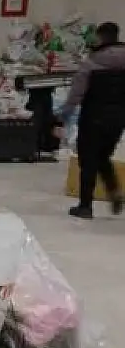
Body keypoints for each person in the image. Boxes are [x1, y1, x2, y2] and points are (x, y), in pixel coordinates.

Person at [56, 21, 125, 219]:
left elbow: (76, 94)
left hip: (93, 117)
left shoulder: (92, 62)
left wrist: (62, 118)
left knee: (88, 161)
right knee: (103, 157)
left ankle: (85, 206)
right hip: (118, 120)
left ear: (101, 37)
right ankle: (114, 191)